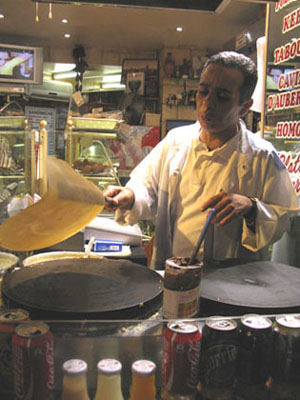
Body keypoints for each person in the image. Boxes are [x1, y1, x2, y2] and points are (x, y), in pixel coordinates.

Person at [104, 51, 299, 269]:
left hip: (233, 282)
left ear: (244, 107)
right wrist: (129, 196)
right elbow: (146, 186)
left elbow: (285, 217)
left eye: (222, 97)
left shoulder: (262, 156)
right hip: (174, 269)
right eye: (203, 92)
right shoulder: (176, 142)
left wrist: (251, 208)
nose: (207, 104)